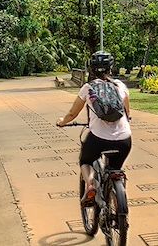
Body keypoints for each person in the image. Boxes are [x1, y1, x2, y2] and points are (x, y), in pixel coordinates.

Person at [57, 51, 132, 205]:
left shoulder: (88, 88)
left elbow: (72, 114)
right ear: (111, 68)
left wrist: (62, 122)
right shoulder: (120, 86)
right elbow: (127, 113)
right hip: (124, 139)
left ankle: (90, 184)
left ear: (91, 68)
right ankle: (119, 207)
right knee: (116, 169)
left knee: (85, 160)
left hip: (98, 139)